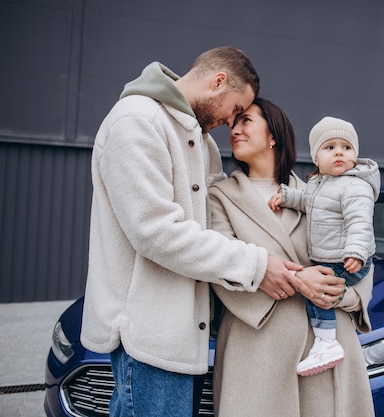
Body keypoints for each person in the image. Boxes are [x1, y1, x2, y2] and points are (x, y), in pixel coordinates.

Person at [80, 47, 315, 417]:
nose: (231, 123)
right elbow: (155, 231)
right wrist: (257, 266)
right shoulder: (137, 121)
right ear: (217, 81)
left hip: (185, 337)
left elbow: (219, 222)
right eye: (235, 110)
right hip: (148, 336)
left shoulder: (199, 140)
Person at [209, 98, 375, 417]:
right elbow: (219, 264)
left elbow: (363, 246)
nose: (235, 129)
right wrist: (299, 280)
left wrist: (346, 295)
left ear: (273, 136)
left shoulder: (325, 191)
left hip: (327, 348)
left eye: (246, 121)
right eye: (234, 123)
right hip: (257, 349)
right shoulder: (220, 198)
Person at [268, 116, 380, 376]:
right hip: (330, 256)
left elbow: (360, 222)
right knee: (317, 286)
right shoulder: (320, 184)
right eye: (330, 148)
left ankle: (327, 344)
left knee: (317, 291)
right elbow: (308, 202)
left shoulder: (355, 186)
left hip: (346, 258)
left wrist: (356, 252)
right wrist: (286, 197)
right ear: (317, 159)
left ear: (355, 155)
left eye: (346, 147)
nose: (339, 152)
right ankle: (325, 342)